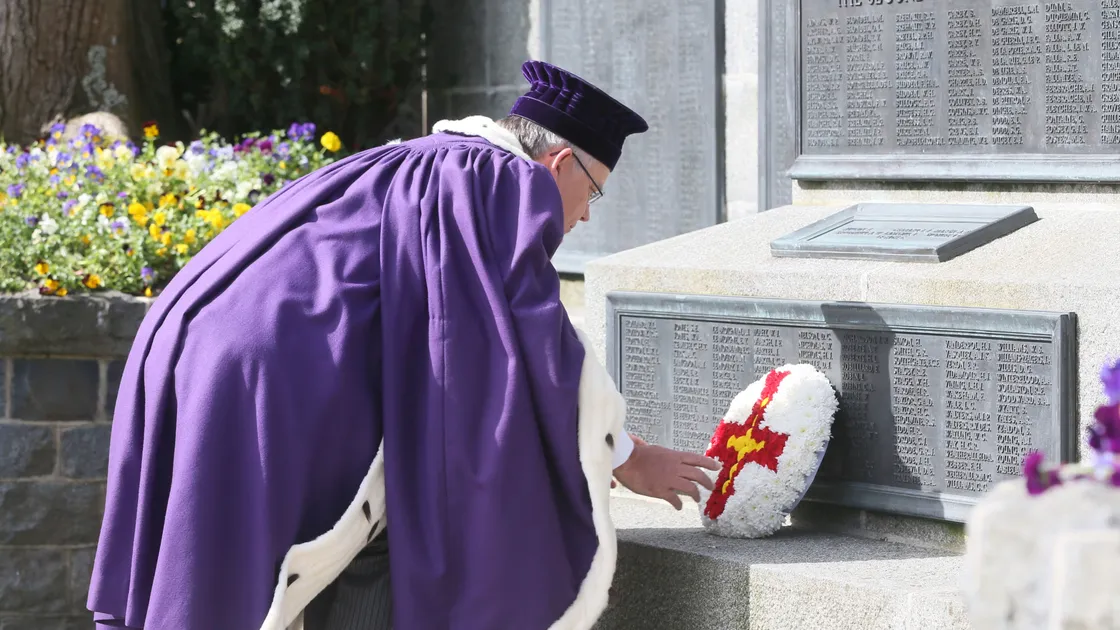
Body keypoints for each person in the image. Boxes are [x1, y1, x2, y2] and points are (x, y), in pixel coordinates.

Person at [87, 59, 719, 630]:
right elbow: (531, 340)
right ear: (559, 164)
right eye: (595, 192)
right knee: (406, 532)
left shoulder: (425, 159)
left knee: (216, 567)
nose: (583, 216)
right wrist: (627, 457)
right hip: (268, 375)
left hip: (194, 341)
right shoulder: (505, 185)